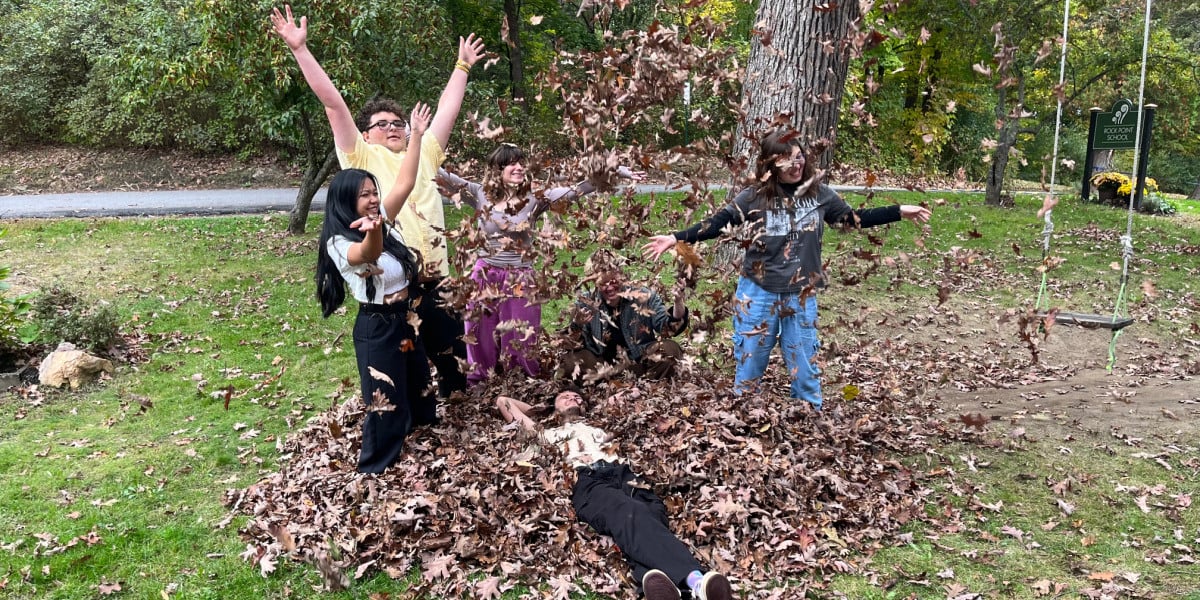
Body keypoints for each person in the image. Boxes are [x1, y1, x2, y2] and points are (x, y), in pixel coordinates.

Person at [271, 5, 484, 399]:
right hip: (393, 285)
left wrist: (462, 66)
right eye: (381, 123)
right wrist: (300, 50)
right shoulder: (361, 157)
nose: (392, 128)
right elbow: (334, 105)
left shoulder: (425, 152)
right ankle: (405, 425)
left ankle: (455, 412)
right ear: (365, 134)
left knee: (453, 357)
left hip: (435, 276)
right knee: (403, 368)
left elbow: (447, 111)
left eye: (397, 123)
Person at [643, 129, 932, 410]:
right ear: (771, 164)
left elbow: (852, 218)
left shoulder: (818, 193)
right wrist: (677, 237)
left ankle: (809, 417)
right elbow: (717, 223)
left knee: (804, 364)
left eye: (799, 157)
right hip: (758, 291)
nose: (796, 164)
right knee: (750, 362)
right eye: (787, 160)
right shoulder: (754, 196)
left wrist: (898, 211)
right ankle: (745, 417)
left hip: (801, 294)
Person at [494, 390, 734, 600]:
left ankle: (665, 588)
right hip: (588, 481)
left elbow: (634, 394)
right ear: (554, 406)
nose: (572, 398)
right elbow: (504, 401)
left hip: (624, 474)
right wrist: (544, 409)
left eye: (576, 397)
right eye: (564, 397)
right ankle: (696, 581)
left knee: (653, 513)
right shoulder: (546, 435)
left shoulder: (597, 428)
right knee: (630, 512)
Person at [438, 145, 644, 385]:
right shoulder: (478, 193)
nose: (519, 168)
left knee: (521, 336)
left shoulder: (536, 198)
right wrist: (413, 137)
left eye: (521, 163)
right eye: (511, 164)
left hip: (520, 279)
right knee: (479, 333)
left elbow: (577, 190)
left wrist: (615, 170)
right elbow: (440, 175)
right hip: (484, 275)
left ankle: (521, 383)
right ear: (497, 170)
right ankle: (480, 384)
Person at [315, 104, 434, 474]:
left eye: (373, 192)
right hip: (377, 326)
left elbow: (405, 182)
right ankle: (375, 468)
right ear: (345, 200)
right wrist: (374, 230)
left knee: (418, 384)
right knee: (384, 401)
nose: (371, 199)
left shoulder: (382, 217)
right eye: (363, 194)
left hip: (405, 320)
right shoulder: (339, 241)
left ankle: (422, 443)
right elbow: (368, 253)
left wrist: (414, 136)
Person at [558, 255, 688, 384]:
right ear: (594, 283)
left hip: (640, 362)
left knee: (670, 350)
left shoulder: (645, 296)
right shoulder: (585, 302)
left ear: (621, 276)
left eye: (614, 281)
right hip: (601, 366)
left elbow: (668, 329)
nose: (610, 288)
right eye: (603, 283)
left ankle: (648, 385)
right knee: (569, 362)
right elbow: (571, 344)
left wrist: (678, 302)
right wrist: (577, 325)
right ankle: (605, 387)